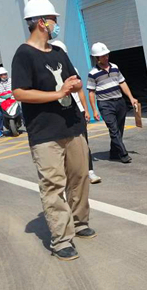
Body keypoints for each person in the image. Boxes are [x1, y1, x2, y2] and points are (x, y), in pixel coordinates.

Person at [11, 0, 94, 261]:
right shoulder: (24, 54)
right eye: (53, 20)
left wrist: (74, 85)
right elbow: (19, 92)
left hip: (72, 125)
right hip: (45, 133)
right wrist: (57, 93)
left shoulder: (58, 52)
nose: (56, 24)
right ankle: (61, 240)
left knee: (80, 177)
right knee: (53, 185)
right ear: (40, 22)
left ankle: (80, 222)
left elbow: (75, 81)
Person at [50, 40, 101, 184]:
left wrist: (85, 110)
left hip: (77, 111)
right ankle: (70, 174)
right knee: (64, 145)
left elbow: (80, 92)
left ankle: (89, 171)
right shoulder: (49, 72)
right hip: (61, 113)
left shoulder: (73, 70)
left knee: (83, 142)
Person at [87, 42, 138, 164]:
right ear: (97, 58)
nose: (106, 57)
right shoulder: (93, 73)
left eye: (107, 55)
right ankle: (123, 154)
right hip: (105, 104)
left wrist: (131, 97)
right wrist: (94, 110)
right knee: (114, 129)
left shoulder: (115, 67)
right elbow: (91, 92)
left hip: (119, 102)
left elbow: (122, 83)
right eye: (103, 56)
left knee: (119, 129)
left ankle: (114, 153)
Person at [0, 66, 12, 138]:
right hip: (2, 101)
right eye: (2, 75)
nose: (4, 76)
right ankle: (0, 130)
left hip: (12, 99)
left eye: (5, 74)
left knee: (20, 111)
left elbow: (16, 87)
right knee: (0, 115)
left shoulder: (11, 80)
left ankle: (26, 125)